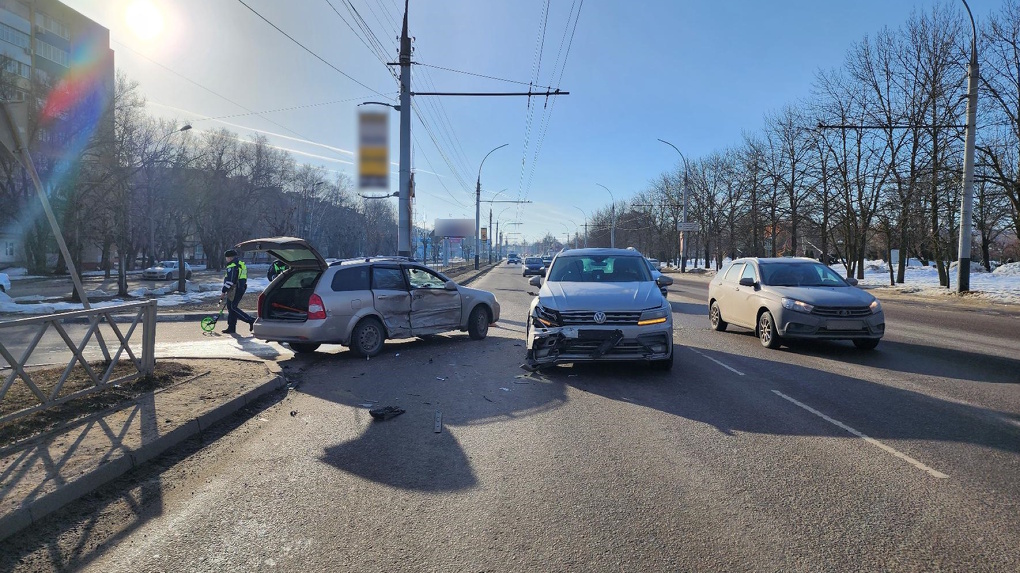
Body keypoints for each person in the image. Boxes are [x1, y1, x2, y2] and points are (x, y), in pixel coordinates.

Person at [220, 249, 255, 334]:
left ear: (230, 257)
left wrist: (223, 291)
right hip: (239, 288)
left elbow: (230, 280)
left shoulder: (233, 265)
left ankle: (250, 320)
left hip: (236, 289)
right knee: (230, 307)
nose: (226, 259)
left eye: (227, 257)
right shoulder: (239, 263)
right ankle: (231, 327)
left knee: (232, 307)